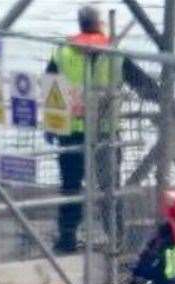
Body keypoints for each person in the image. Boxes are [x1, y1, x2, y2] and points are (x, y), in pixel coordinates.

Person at [45, 5, 158, 253]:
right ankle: (117, 240)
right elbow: (143, 85)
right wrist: (166, 100)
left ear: (80, 24)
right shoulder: (115, 54)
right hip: (106, 133)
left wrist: (50, 127)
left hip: (71, 133)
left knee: (70, 188)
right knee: (110, 190)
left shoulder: (63, 53)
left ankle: (66, 240)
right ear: (100, 25)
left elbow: (50, 90)